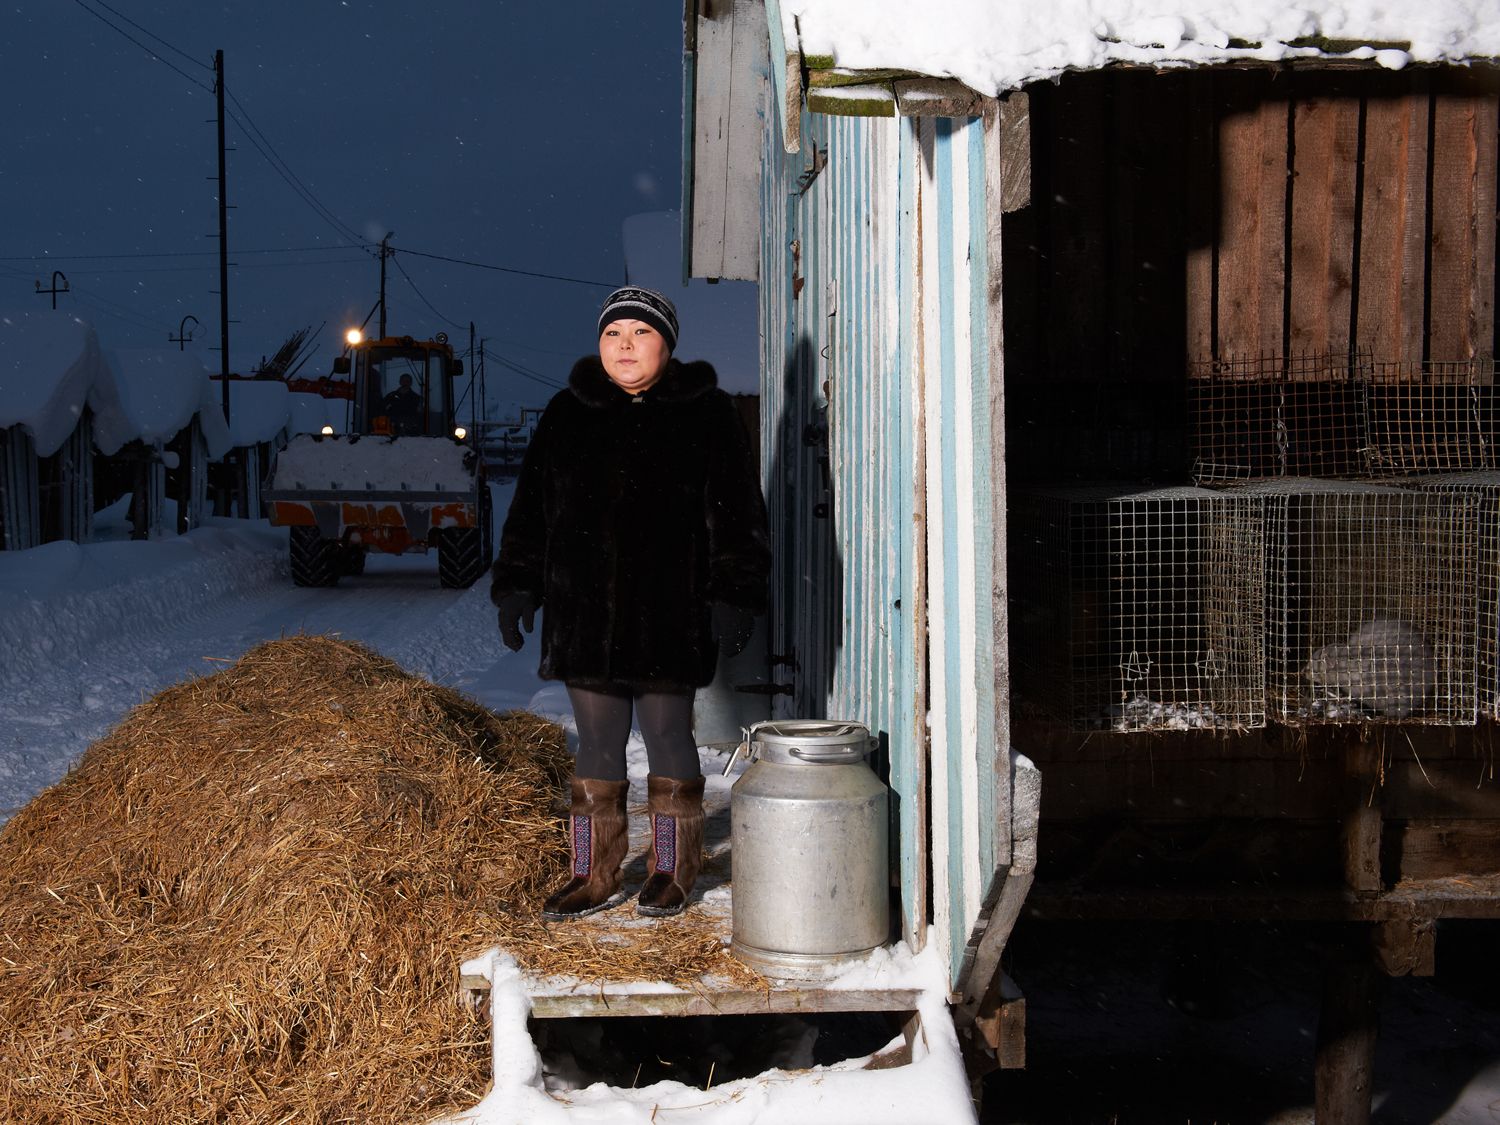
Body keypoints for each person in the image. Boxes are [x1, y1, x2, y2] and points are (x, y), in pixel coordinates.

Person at [490, 286, 770, 921]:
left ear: (666, 345)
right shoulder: (567, 413)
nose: (625, 345)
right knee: (596, 741)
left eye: (641, 333)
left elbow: (736, 514)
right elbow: (530, 510)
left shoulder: (706, 413)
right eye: (613, 333)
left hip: (667, 612)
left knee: (667, 733)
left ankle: (672, 868)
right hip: (583, 613)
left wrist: (735, 593)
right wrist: (517, 585)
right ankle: (591, 874)